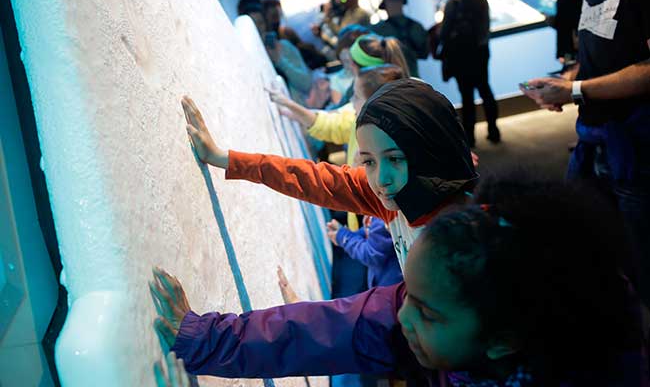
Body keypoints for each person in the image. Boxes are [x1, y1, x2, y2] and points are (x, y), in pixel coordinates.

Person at [150, 175, 649, 385]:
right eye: (407, 293)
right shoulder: (446, 294)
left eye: (426, 312)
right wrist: (203, 335)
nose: (402, 315)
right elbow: (323, 327)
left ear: (504, 340)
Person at [183, 77, 476, 271]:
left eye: (395, 159)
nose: (380, 180)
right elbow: (310, 178)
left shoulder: (461, 237)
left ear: (428, 152)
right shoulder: (397, 197)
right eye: (369, 161)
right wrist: (226, 159)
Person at [520, 0, 650, 305]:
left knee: (643, 261)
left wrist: (575, 89)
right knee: (584, 247)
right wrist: (566, 82)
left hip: (638, 147)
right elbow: (602, 57)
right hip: (595, 143)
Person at [438, 0, 500, 147]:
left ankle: (470, 137)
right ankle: (493, 130)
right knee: (485, 90)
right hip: (480, 53)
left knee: (466, 96)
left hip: (460, 55)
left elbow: (444, 32)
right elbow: (485, 29)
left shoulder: (453, 3)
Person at [237, 0, 312, 106]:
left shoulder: (284, 47)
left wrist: (280, 61)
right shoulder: (243, 57)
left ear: (266, 24)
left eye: (260, 23)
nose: (257, 28)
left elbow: (307, 84)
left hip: (297, 114)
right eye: (253, 25)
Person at [327, 214, 402, 288]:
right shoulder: (377, 215)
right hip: (381, 279)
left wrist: (344, 237)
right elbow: (371, 230)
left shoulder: (381, 219)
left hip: (390, 287)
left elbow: (372, 254)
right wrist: (350, 235)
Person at [371, 0, 429, 78]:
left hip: (388, 83)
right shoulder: (417, 27)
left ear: (384, 5)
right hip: (414, 80)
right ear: (403, 1)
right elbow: (424, 54)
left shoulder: (376, 30)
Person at [261, 0, 328, 70]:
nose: (277, 20)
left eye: (278, 15)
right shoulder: (264, 41)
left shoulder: (287, 32)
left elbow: (305, 48)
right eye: (273, 16)